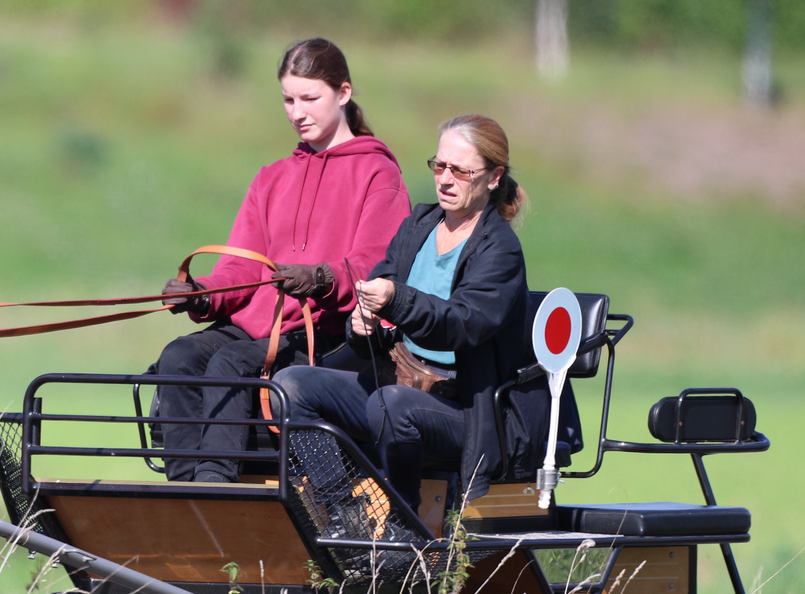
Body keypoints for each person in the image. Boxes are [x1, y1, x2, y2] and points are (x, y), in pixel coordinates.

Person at [155, 37, 410, 483]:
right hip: (259, 326)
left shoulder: (378, 172)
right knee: (179, 356)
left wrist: (322, 278)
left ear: (343, 93)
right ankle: (184, 496)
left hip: (330, 332)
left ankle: (215, 491)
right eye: (288, 99)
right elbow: (243, 270)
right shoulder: (271, 177)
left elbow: (376, 263)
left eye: (310, 98)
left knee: (230, 363)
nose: (297, 112)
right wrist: (202, 297)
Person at [271, 114, 537, 514]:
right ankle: (342, 511)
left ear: (494, 176)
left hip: (463, 406)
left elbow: (460, 325)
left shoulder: (500, 250)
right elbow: (380, 296)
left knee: (390, 405)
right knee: (289, 386)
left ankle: (403, 521)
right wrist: (363, 325)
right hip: (397, 382)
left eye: (461, 171)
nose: (445, 179)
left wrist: (395, 301)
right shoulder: (418, 223)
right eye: (440, 166)